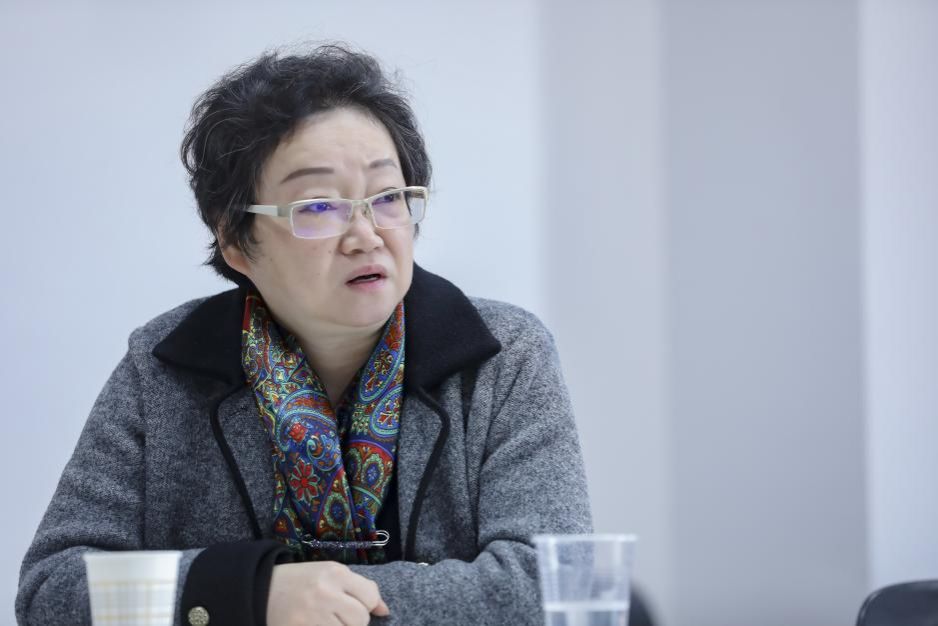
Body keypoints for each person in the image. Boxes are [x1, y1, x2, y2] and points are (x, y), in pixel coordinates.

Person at [16, 44, 592, 626]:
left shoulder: (503, 355)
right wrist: (253, 592)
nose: (366, 235)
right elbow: (53, 590)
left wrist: (310, 601)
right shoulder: (165, 365)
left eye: (387, 198)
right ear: (236, 241)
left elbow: (550, 587)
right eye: (318, 207)